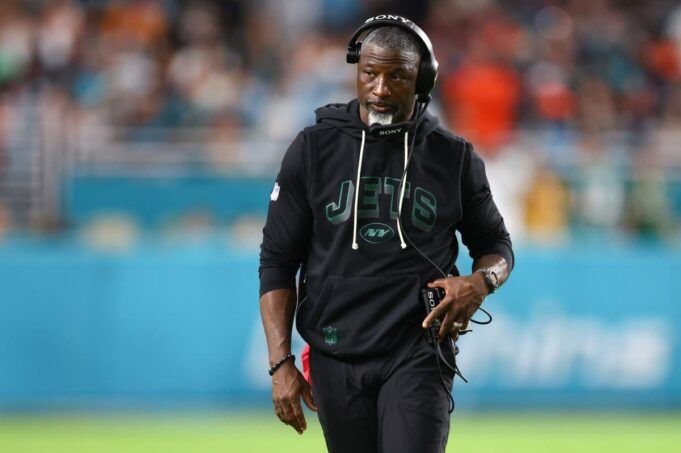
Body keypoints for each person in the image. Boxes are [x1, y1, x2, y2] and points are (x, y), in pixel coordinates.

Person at [259, 15, 513, 453]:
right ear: (356, 70)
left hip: (419, 349)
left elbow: (496, 245)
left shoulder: (453, 157)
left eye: (397, 76)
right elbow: (277, 261)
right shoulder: (313, 148)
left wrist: (481, 281)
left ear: (422, 80)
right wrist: (280, 362)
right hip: (335, 350)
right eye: (370, 73)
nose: (379, 88)